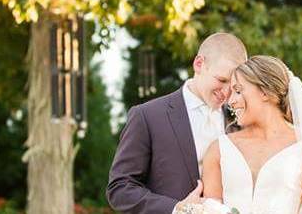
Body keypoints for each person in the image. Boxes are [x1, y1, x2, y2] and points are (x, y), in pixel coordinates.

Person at [200, 55, 302, 214]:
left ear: (265, 92)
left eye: (238, 91)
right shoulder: (219, 149)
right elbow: (211, 208)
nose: (230, 101)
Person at [106, 33, 248, 214]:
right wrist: (176, 209)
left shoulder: (240, 122)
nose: (227, 92)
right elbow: (120, 189)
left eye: (235, 86)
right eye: (221, 80)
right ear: (199, 64)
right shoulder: (148, 116)